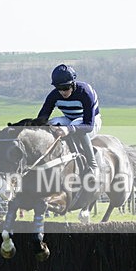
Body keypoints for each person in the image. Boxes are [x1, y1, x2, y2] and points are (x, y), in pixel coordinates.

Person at [37, 64, 102, 205]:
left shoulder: (85, 92)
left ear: (73, 84)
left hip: (90, 121)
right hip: (70, 119)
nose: (62, 92)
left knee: (75, 127)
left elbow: (88, 125)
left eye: (66, 88)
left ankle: (93, 165)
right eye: (59, 88)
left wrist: (68, 130)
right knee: (52, 123)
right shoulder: (54, 95)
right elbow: (41, 118)